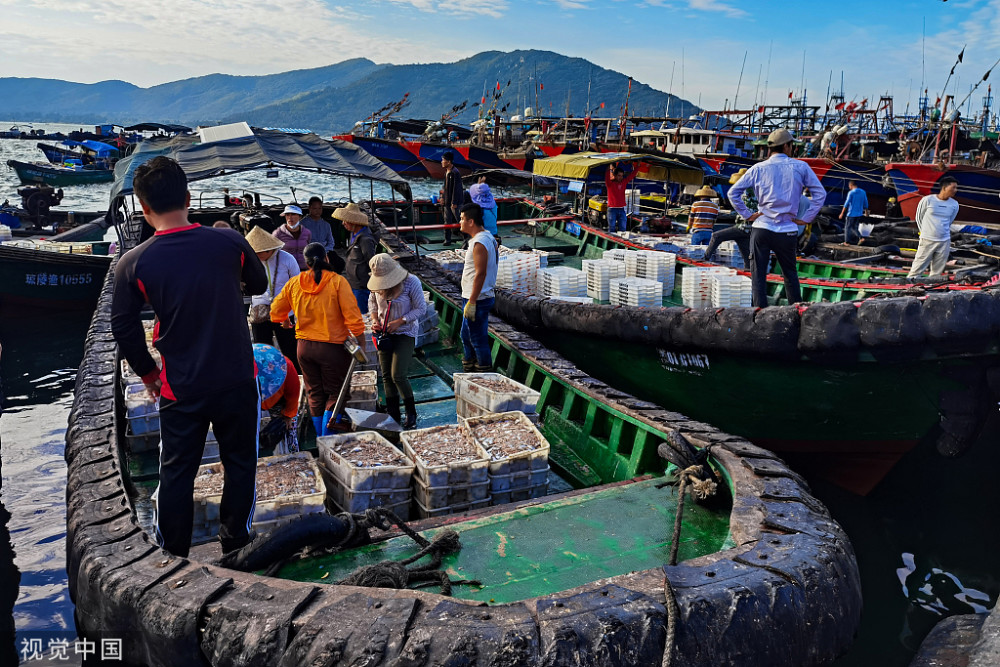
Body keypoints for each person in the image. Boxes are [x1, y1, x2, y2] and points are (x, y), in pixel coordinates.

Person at [111, 156, 268, 557]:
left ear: (144, 210)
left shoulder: (134, 263)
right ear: (189, 197)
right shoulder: (230, 242)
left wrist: (148, 375)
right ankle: (235, 540)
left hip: (180, 386)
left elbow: (124, 328)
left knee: (177, 470)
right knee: (241, 463)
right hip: (236, 378)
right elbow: (258, 281)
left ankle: (173, 552)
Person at [270, 242, 365, 436]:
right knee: (336, 393)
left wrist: (286, 321)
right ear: (327, 258)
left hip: (304, 348)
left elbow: (275, 312)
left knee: (314, 393)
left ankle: (321, 438)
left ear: (305, 262)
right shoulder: (337, 282)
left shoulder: (295, 283)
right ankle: (326, 439)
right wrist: (361, 340)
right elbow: (353, 316)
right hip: (332, 348)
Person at [728, 128, 826, 307]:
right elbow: (820, 194)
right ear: (787, 146)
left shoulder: (758, 168)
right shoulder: (800, 166)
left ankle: (760, 314)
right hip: (787, 230)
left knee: (758, 276)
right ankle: (796, 314)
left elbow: (733, 193)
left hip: (762, 228)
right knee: (790, 275)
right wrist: (806, 218)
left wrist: (748, 215)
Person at [367, 255, 427, 429]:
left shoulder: (411, 282)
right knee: (385, 375)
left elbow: (421, 309)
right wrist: (374, 321)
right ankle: (393, 413)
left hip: (405, 332)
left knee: (397, 374)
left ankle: (411, 412)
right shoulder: (375, 285)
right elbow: (372, 304)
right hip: (384, 334)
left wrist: (401, 320)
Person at [246, 226, 300, 370]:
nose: (257, 256)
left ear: (270, 249)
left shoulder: (287, 259)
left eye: (260, 253)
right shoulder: (250, 262)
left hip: (284, 312)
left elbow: (296, 286)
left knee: (290, 350)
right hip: (260, 311)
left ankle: (296, 378)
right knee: (262, 352)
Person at [459, 203, 498, 372]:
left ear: (471, 222)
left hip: (478, 298)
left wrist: (472, 301)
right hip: (476, 296)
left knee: (477, 338)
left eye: (462, 219)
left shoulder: (480, 243)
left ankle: (483, 372)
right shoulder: (488, 237)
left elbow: (480, 273)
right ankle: (469, 367)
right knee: (466, 335)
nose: (459, 222)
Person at [907, 176, 959, 279]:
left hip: (944, 241)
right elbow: (919, 218)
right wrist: (925, 233)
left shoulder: (954, 204)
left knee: (937, 271)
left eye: (956, 188)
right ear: (944, 187)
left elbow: (950, 221)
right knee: (917, 268)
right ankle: (909, 285)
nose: (955, 190)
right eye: (953, 187)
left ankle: (932, 287)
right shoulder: (928, 200)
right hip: (927, 239)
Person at [253, 343, 301, 454]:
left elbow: (293, 395)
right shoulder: (242, 367)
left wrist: (288, 415)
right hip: (249, 396)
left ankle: (292, 456)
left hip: (279, 399)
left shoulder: (287, 367)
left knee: (288, 429)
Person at [336, 202, 377, 314]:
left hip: (362, 284)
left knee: (361, 313)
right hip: (354, 282)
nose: (343, 223)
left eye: (346, 220)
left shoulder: (365, 240)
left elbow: (371, 261)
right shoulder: (354, 234)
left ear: (355, 222)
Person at [272, 205, 312, 270]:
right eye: (287, 215)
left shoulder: (307, 233)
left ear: (300, 217)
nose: (290, 217)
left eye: (293, 214)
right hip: (286, 270)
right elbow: (272, 254)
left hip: (304, 269)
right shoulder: (278, 233)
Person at [604, 162, 639, 234]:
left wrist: (638, 166)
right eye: (619, 176)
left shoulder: (624, 182)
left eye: (622, 176)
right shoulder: (610, 183)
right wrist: (609, 167)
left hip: (621, 209)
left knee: (623, 229)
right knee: (612, 229)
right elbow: (607, 175)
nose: (621, 177)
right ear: (615, 175)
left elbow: (632, 175)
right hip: (612, 209)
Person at [441, 151, 463, 244]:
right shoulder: (447, 172)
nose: (441, 162)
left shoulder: (455, 172)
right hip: (447, 201)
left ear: (449, 162)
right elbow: (445, 187)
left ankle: (467, 239)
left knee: (460, 221)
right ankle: (447, 239)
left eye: (443, 160)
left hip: (455, 202)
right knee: (447, 221)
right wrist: (442, 197)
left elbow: (456, 188)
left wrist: (454, 202)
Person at [839, 181, 869, 245]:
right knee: (855, 227)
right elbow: (865, 202)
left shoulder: (851, 193)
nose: (849, 187)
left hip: (851, 214)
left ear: (851, 185)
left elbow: (846, 203)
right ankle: (860, 238)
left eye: (849, 186)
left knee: (848, 228)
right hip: (859, 214)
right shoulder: (863, 192)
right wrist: (866, 212)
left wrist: (842, 213)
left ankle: (847, 242)